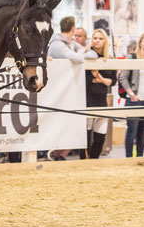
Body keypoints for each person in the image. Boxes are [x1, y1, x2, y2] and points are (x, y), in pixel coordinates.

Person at [47, 16, 84, 160]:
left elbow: (79, 50)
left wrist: (81, 50)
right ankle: (55, 152)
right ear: (73, 29)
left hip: (64, 90)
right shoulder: (58, 45)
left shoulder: (68, 43)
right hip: (56, 90)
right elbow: (78, 57)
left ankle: (59, 154)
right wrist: (82, 51)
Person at [120, 32, 144, 158]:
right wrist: (131, 94)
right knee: (132, 132)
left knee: (143, 133)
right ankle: (129, 158)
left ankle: (140, 158)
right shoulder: (132, 57)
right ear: (140, 43)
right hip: (134, 99)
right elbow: (123, 78)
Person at [81, 29, 116, 159]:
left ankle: (94, 160)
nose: (97, 40)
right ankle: (83, 160)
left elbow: (113, 81)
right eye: (95, 38)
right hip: (87, 99)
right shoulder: (86, 54)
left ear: (105, 41)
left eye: (101, 38)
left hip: (102, 99)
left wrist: (102, 80)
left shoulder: (110, 59)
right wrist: (96, 63)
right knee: (86, 134)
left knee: (100, 136)